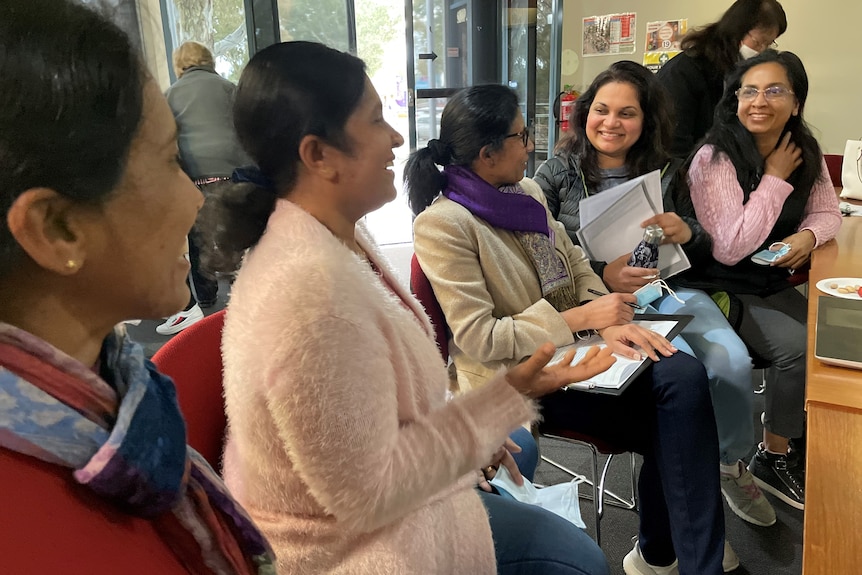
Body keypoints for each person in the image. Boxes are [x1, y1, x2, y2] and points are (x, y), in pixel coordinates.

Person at [196, 40, 615, 575]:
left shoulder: (337, 235)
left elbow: (386, 396)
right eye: (376, 121)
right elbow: (368, 494)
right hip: (347, 546)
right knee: (579, 562)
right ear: (317, 154)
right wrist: (507, 398)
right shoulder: (308, 298)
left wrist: (471, 428)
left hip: (368, 488)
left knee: (519, 453)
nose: (397, 137)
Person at [0, 1, 275, 573]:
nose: (195, 196)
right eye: (172, 159)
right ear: (59, 228)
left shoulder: (118, 386)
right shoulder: (35, 532)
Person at [408, 84, 726, 575]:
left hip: (581, 353)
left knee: (682, 375)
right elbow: (479, 338)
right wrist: (579, 320)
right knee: (679, 418)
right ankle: (663, 556)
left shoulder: (527, 191)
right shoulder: (444, 224)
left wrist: (610, 321)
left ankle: (671, 558)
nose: (531, 144)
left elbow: (576, 266)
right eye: (520, 136)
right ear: (488, 153)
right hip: (524, 377)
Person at [534, 61, 776, 530]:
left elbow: (709, 238)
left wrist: (688, 230)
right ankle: (683, 496)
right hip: (597, 303)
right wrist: (603, 272)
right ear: (584, 113)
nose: (611, 122)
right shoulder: (557, 171)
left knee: (732, 362)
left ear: (646, 120)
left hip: (667, 290)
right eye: (601, 110)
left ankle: (724, 466)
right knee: (681, 379)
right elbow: (538, 249)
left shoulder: (672, 169)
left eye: (627, 113)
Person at [679, 49, 841, 511]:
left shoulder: (801, 148)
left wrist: (809, 234)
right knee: (799, 349)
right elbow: (729, 246)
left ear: (797, 102)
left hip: (763, 280)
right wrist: (772, 180)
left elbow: (827, 212)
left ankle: (784, 436)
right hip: (712, 283)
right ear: (734, 99)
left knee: (829, 337)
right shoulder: (714, 157)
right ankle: (774, 454)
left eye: (775, 90)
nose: (759, 101)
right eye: (748, 90)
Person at [158, 41, 252, 336]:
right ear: (209, 61)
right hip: (232, 170)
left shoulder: (171, 94)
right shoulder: (228, 88)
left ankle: (206, 296)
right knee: (234, 229)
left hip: (194, 174)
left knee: (197, 235)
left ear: (179, 66)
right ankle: (242, 289)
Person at [657, 0, 787, 159]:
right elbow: (673, 146)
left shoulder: (739, 72)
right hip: (690, 170)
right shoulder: (684, 72)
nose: (761, 51)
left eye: (768, 44)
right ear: (737, 30)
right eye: (758, 42)